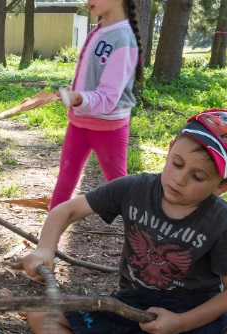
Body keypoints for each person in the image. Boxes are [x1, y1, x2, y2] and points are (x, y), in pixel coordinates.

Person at [22, 109, 227, 334]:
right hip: (129, 309)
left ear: (222, 186)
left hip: (196, 317)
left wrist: (181, 323)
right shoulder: (133, 188)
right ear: (170, 148)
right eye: (177, 163)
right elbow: (65, 211)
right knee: (38, 312)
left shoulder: (220, 219)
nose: (180, 178)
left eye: (198, 177)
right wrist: (45, 248)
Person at [48, 0, 146, 210]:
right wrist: (75, 95)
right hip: (78, 123)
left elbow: (109, 98)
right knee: (63, 183)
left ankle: (141, 236)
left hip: (109, 128)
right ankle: (47, 241)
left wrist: (79, 98)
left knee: (120, 189)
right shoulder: (99, 30)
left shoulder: (123, 38)